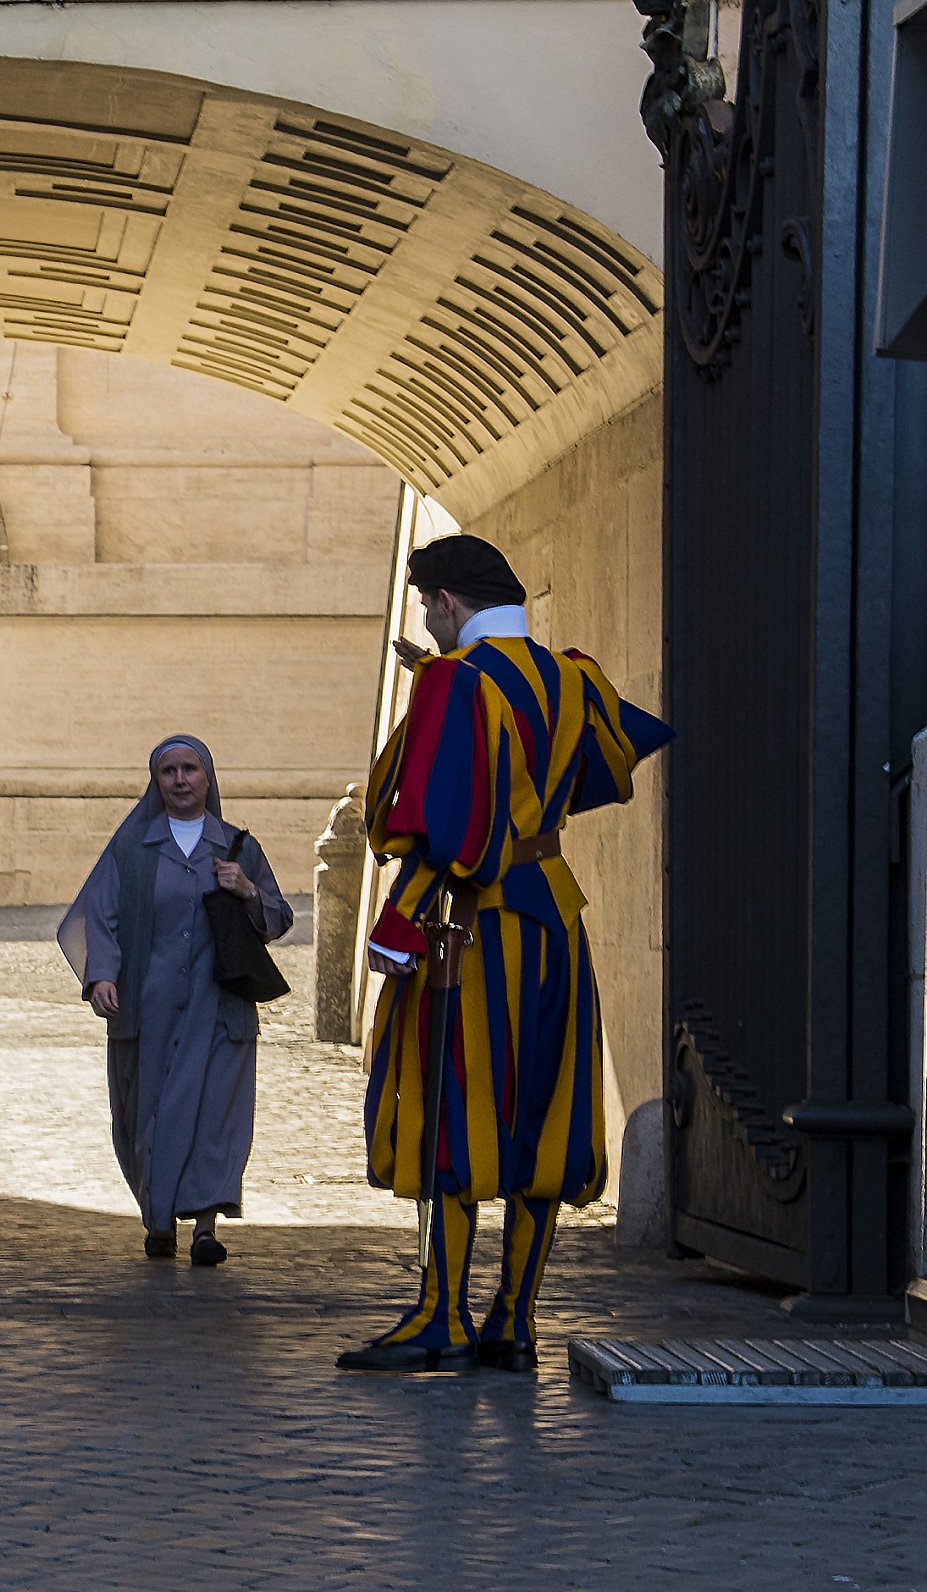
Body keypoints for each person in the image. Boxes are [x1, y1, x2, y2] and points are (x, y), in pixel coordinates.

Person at [338, 535, 670, 1375]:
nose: (428, 625)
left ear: (447, 603)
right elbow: (602, 767)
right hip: (555, 920)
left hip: (472, 924)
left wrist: (399, 923)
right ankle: (512, 1321)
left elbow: (430, 823)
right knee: (543, 1116)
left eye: (428, 609)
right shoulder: (573, 675)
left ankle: (441, 1314)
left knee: (451, 1105)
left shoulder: (456, 681)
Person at [58, 736, 292, 1263]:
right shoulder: (132, 848)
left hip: (220, 1008)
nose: (181, 780)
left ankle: (206, 1226)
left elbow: (277, 919)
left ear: (208, 779)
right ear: (155, 781)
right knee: (148, 1113)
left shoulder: (237, 846)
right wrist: (101, 977)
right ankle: (158, 1218)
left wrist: (248, 890)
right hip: (149, 1005)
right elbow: (100, 916)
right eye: (169, 771)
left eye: (190, 769)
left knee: (216, 1114)